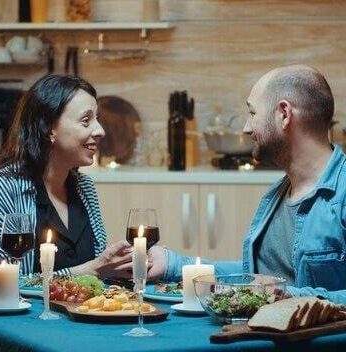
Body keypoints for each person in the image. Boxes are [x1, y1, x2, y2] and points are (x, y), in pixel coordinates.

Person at [148, 64, 346, 304]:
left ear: (284, 114)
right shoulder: (277, 195)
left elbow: (271, 289)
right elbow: (255, 279)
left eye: (252, 114)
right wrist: (173, 264)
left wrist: (287, 296)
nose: (246, 127)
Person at [0, 74, 132, 278]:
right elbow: (4, 281)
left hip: (84, 311)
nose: (100, 131)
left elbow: (98, 266)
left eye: (97, 119)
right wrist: (90, 270)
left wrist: (123, 263)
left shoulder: (85, 187)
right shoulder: (4, 188)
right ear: (49, 128)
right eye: (86, 121)